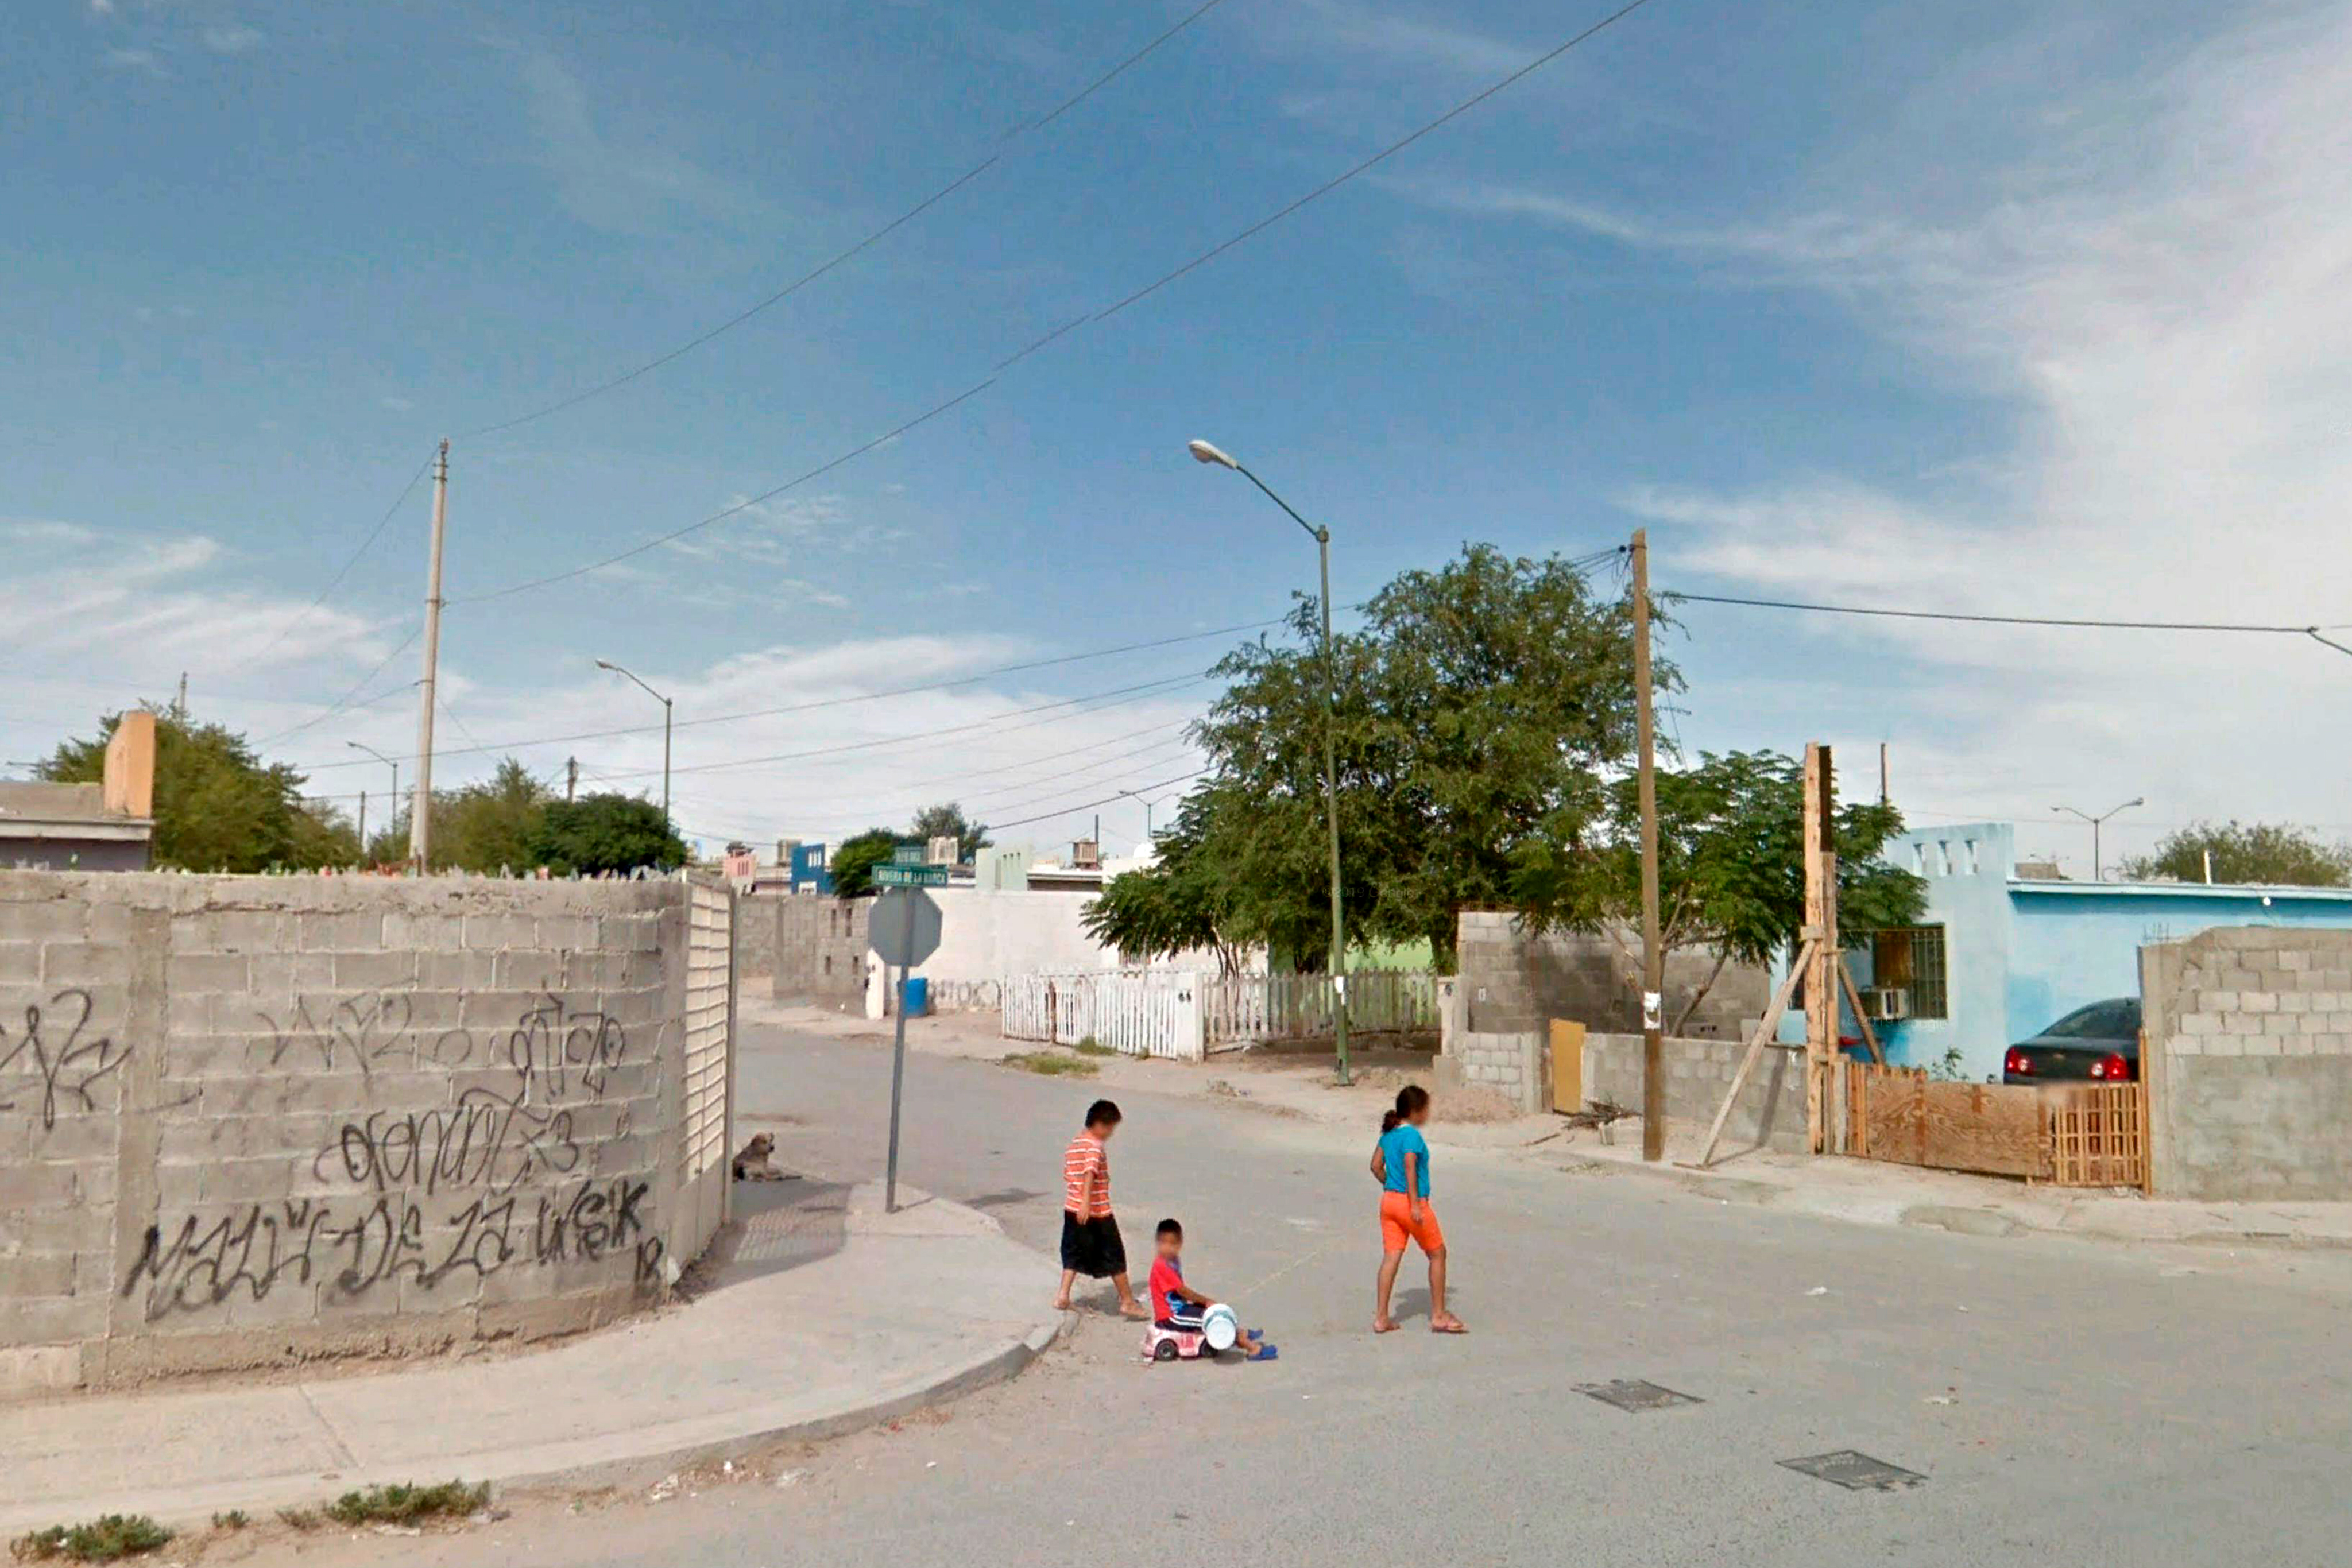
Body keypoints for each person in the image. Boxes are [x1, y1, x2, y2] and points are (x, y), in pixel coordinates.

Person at [1370, 1085, 1464, 1334]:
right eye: (1425, 1110)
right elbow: (1410, 1165)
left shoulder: (1388, 1135)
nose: (1427, 1114)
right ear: (1415, 1111)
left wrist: (1390, 1186)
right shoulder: (1412, 1136)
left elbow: (1375, 1166)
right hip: (1411, 1204)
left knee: (1391, 1256)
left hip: (1389, 1202)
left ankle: (1381, 1318)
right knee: (1438, 1254)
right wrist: (1413, 1203)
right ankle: (1439, 1315)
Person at [1056, 1099, 1146, 1318]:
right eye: (1110, 1129)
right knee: (1114, 1255)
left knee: (1074, 1252)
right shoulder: (1094, 1146)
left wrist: (1079, 1200)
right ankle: (1127, 1301)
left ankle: (1063, 1296)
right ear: (1100, 1124)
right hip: (1096, 1211)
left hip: (1072, 1208)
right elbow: (1090, 1171)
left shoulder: (1076, 1143)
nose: (1110, 1134)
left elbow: (1069, 1174)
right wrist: (1087, 1201)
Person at [1147, 1218, 1274, 1360]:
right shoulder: (1161, 1266)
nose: (1167, 1248)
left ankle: (1240, 1333)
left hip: (1179, 1309)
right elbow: (1182, 1291)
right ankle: (1251, 1348)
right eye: (1163, 1243)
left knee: (1211, 1311)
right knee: (1214, 1322)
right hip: (1171, 1317)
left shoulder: (1173, 1261)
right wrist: (1206, 1301)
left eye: (1172, 1244)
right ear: (1157, 1242)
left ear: (1180, 1243)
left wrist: (1201, 1304)